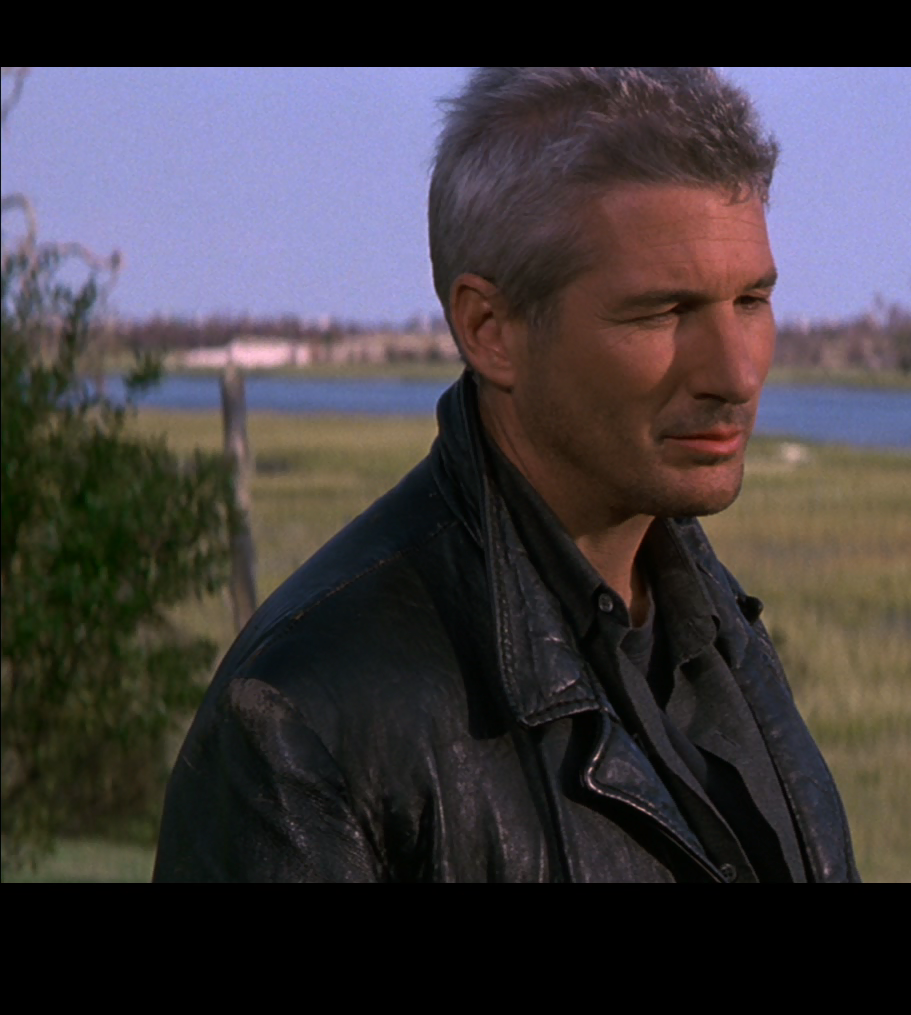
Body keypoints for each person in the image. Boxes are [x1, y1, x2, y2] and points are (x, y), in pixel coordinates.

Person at [155, 67, 857, 882]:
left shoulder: (718, 631)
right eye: (663, 312)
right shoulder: (307, 720)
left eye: (751, 301)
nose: (735, 374)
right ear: (489, 330)